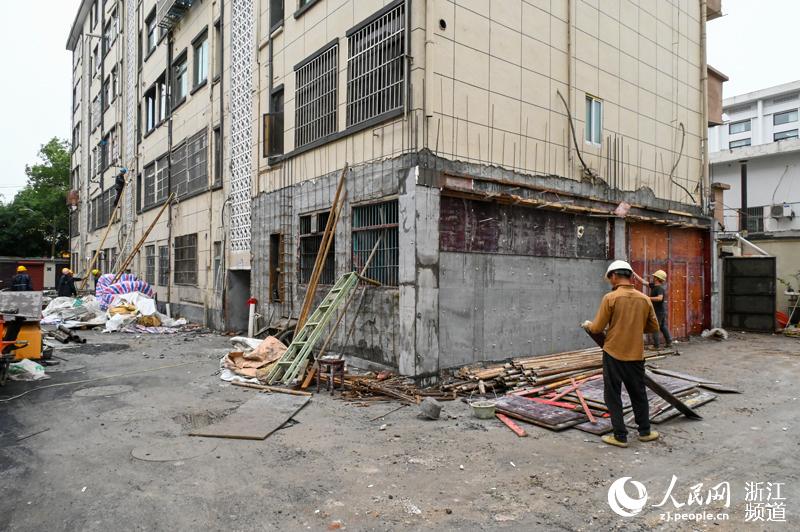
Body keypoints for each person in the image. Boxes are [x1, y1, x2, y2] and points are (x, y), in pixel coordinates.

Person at [582, 260, 660, 448]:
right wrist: (633, 327)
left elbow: (597, 328)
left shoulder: (610, 298)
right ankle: (645, 431)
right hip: (636, 355)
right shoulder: (644, 299)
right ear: (631, 276)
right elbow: (653, 327)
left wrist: (588, 325)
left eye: (610, 278)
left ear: (615, 276)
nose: (610, 281)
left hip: (613, 353)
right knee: (638, 393)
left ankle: (620, 436)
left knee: (613, 394)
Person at [633, 269, 672, 349]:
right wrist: (633, 273)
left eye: (654, 276)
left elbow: (659, 298)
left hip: (658, 312)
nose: (653, 277)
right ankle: (669, 342)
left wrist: (647, 298)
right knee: (662, 327)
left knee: (655, 328)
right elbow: (643, 281)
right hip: (660, 311)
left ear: (657, 278)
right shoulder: (654, 286)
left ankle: (656, 346)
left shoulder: (659, 288)